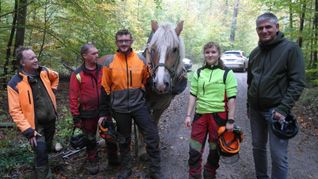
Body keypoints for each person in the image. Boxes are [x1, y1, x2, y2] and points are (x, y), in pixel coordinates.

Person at [247, 12, 305, 179]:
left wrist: (283, 108)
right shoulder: (255, 53)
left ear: (277, 27)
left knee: (278, 155)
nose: (264, 31)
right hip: (256, 110)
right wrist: (248, 106)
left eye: (268, 27)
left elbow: (298, 82)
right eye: (260, 28)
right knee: (257, 147)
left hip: (277, 111)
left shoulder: (290, 49)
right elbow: (251, 82)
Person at [98, 29, 161, 179]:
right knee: (123, 139)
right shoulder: (109, 62)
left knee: (152, 135)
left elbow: (148, 81)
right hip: (119, 109)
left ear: (131, 41)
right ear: (116, 43)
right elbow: (105, 88)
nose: (124, 43)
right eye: (121, 41)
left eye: (126, 40)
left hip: (139, 106)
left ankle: (155, 170)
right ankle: (126, 169)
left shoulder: (141, 59)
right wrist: (103, 113)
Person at [185, 42, 238, 179]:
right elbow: (193, 94)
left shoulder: (227, 73)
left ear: (218, 54)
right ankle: (194, 174)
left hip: (219, 117)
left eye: (213, 52)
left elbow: (232, 98)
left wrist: (230, 120)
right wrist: (188, 115)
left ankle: (210, 172)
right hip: (200, 115)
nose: (210, 55)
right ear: (204, 54)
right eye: (207, 52)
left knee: (215, 149)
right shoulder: (199, 72)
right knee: (194, 148)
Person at [7, 47, 59, 179]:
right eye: (32, 58)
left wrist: (53, 90)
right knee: (41, 152)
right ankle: (44, 175)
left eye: (35, 57)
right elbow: (15, 110)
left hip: (51, 120)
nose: (36, 60)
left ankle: (42, 162)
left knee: (45, 148)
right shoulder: (15, 83)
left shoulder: (44, 71)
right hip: (34, 127)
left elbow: (56, 76)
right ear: (22, 63)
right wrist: (28, 130)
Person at [69, 43, 119, 175]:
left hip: (104, 110)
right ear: (85, 56)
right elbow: (73, 97)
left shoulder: (104, 70)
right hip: (87, 113)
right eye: (94, 53)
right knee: (90, 139)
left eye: (97, 52)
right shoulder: (77, 74)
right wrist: (76, 116)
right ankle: (93, 160)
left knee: (109, 135)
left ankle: (113, 158)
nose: (97, 55)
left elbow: (111, 88)